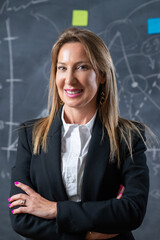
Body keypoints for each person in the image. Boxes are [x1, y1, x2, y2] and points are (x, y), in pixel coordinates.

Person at [8, 27, 149, 240]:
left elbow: (131, 211)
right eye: (62, 68)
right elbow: (21, 217)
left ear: (102, 74)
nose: (69, 80)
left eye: (82, 67)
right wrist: (88, 235)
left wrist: (55, 210)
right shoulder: (30, 135)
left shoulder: (129, 137)